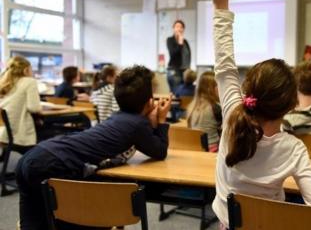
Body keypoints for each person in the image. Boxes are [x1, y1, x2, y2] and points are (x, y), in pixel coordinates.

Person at [208, 0, 311, 228]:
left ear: (248, 90)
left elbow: (224, 63)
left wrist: (221, 7)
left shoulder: (231, 118)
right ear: (290, 105)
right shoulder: (295, 149)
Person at [16, 65, 171, 230]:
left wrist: (150, 122)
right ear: (150, 101)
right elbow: (160, 151)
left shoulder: (116, 118)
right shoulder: (138, 125)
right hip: (54, 165)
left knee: (34, 224)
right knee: (87, 220)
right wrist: (161, 120)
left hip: (35, 156)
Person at [0, 56, 41, 150]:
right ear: (26, 70)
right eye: (31, 69)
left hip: (5, 130)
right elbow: (34, 108)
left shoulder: (4, 81)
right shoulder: (29, 82)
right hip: (19, 132)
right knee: (49, 130)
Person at [186, 71, 222, 152]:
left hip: (195, 149)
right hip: (212, 151)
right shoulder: (215, 107)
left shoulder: (191, 106)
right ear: (213, 89)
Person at [167, 19, 191, 92]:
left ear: (183, 29)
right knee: (177, 93)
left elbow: (187, 56)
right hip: (174, 71)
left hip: (184, 71)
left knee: (184, 94)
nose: (179, 29)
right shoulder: (170, 40)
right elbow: (173, 53)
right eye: (177, 26)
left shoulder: (185, 41)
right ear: (173, 28)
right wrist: (180, 43)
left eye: (181, 27)